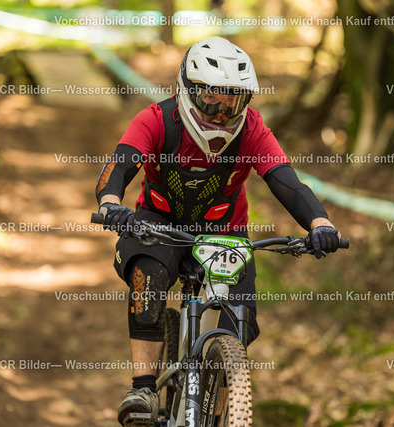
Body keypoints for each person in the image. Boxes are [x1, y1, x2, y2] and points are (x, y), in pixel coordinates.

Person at [94, 36, 341, 425]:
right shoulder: (157, 119)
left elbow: (286, 181)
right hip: (160, 222)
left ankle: (226, 411)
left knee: (237, 320)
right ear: (188, 91)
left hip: (224, 231)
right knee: (149, 275)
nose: (221, 112)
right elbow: (121, 164)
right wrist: (110, 203)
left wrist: (319, 222)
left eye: (233, 101)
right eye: (211, 98)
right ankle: (143, 388)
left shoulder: (252, 130)